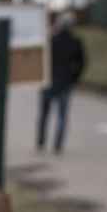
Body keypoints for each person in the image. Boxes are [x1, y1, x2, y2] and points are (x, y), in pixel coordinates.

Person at [38, 12, 86, 154]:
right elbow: (82, 62)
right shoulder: (76, 42)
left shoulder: (51, 40)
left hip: (48, 81)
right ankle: (58, 144)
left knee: (44, 114)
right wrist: (74, 78)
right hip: (65, 82)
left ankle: (41, 140)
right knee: (62, 115)